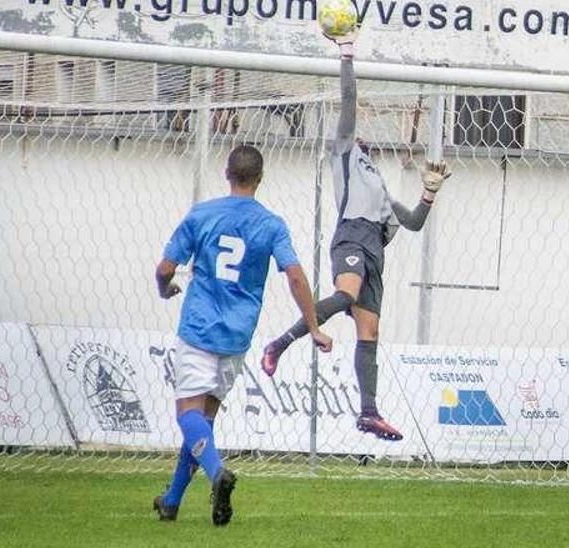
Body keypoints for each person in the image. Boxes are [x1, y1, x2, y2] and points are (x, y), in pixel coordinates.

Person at [259, 26, 451, 442]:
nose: (360, 136)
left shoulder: (379, 185)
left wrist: (430, 193)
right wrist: (346, 55)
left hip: (374, 252)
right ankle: (280, 342)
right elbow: (349, 101)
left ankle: (369, 412)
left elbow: (413, 222)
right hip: (351, 237)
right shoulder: (344, 154)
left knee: (370, 333)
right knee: (344, 294)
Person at [152, 145, 332, 525]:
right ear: (260, 178)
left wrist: (163, 288)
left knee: (187, 415)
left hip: (200, 329)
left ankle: (218, 474)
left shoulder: (202, 214)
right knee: (205, 424)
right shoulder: (271, 225)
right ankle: (171, 500)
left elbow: (166, 267)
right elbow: (295, 275)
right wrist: (313, 326)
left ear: (226, 173)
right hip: (237, 337)